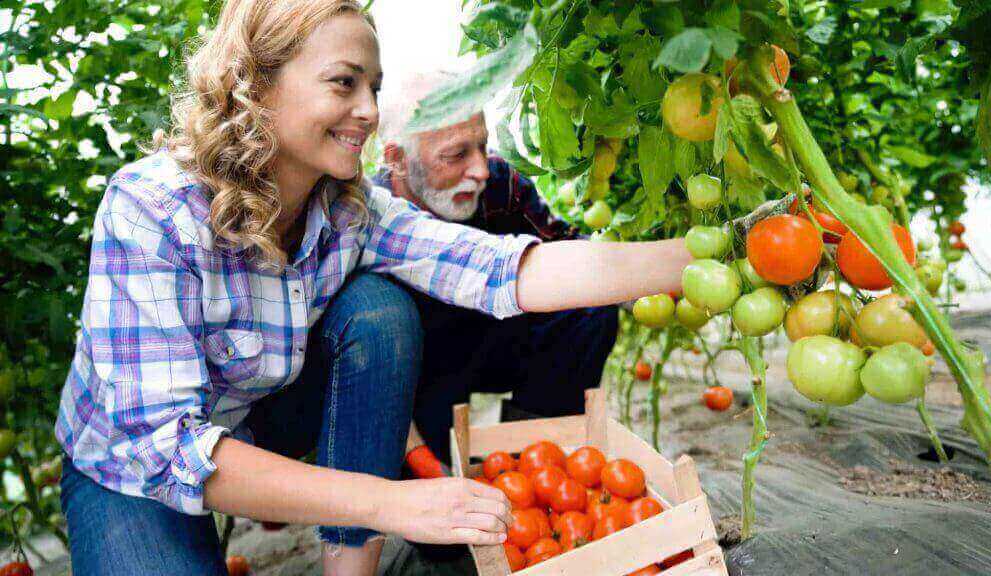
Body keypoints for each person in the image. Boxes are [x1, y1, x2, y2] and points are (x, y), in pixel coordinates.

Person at [54, 2, 692, 575]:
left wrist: (703, 257)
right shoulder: (153, 208)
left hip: (258, 421)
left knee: (376, 310)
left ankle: (349, 569)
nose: (368, 109)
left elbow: (508, 270)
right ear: (257, 84)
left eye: (374, 87)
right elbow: (166, 448)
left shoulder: (351, 209)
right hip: (134, 468)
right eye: (344, 82)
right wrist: (395, 501)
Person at [373, 72, 620, 475]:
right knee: (440, 522)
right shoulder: (367, 220)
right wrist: (416, 454)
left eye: (482, 147)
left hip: (493, 337)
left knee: (587, 309)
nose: (481, 170)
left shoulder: (500, 186)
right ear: (397, 159)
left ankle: (536, 459)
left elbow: (566, 249)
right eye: (456, 155)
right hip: (420, 369)